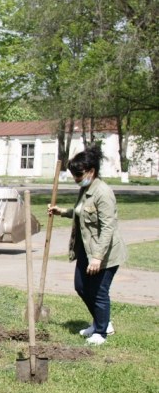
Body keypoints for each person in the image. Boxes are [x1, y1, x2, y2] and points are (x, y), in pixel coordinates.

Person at [48, 146, 126, 346]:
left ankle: (101, 331)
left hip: (105, 253)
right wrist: (61, 211)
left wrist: (98, 257)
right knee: (81, 287)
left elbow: (108, 228)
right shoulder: (86, 189)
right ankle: (102, 321)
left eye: (79, 174)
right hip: (86, 249)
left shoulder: (103, 193)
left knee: (99, 291)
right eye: (74, 175)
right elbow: (81, 212)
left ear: (91, 171)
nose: (76, 178)